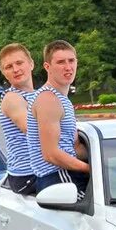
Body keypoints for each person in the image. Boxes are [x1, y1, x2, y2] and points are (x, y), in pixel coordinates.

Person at [27, 40, 90, 197]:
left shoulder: (62, 100)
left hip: (69, 174)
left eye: (71, 60)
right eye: (61, 62)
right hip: (57, 179)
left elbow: (75, 147)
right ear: (47, 67)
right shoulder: (48, 99)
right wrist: (92, 170)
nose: (68, 67)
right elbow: (50, 154)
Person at [0, 43, 37, 195]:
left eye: (19, 63)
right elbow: (35, 132)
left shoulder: (40, 96)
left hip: (43, 170)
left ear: (31, 64)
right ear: (4, 73)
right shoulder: (12, 98)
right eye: (9, 67)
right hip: (27, 175)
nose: (16, 69)